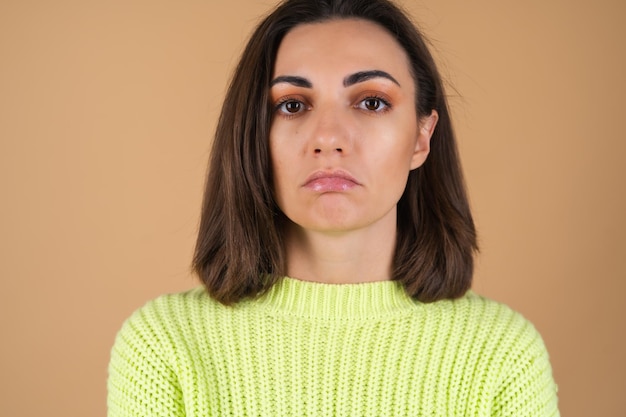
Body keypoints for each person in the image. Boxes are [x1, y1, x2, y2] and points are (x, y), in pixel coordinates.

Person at [107, 0, 560, 415]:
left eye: (372, 102)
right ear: (253, 136)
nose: (329, 138)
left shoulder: (502, 354)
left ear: (422, 137)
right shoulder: (165, 345)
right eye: (292, 105)